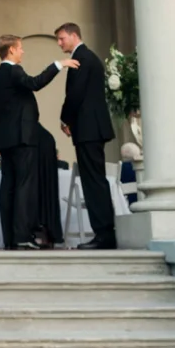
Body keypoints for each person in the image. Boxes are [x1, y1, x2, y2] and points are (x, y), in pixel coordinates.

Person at [0, 35, 79, 251]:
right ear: (10, 50)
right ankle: (21, 237)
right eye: (20, 48)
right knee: (23, 185)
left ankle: (9, 238)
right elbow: (35, 83)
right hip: (23, 138)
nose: (23, 52)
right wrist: (58, 65)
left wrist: (1, 136)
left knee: (8, 186)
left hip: (6, 140)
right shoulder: (14, 71)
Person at [55, 22, 118, 250]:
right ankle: (104, 233)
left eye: (62, 38)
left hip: (88, 129)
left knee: (93, 182)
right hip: (91, 128)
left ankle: (104, 235)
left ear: (74, 35)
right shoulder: (87, 56)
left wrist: (64, 119)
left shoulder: (81, 58)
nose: (59, 43)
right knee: (95, 180)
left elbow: (76, 94)